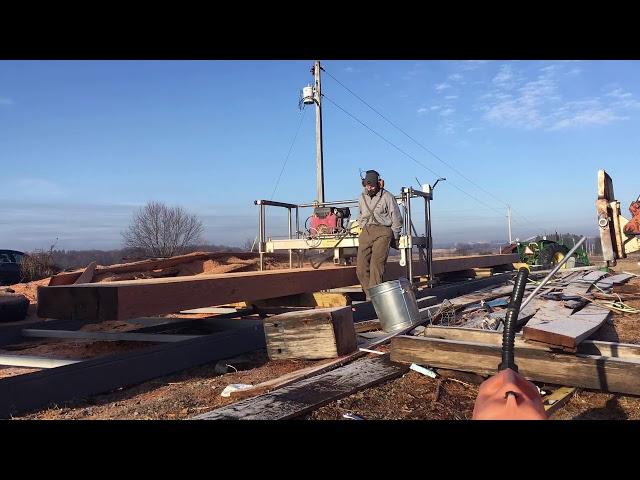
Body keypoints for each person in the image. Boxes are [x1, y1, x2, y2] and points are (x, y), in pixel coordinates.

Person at [356, 170, 403, 299]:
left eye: (371, 185)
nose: (369, 188)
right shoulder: (361, 197)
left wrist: (395, 236)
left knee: (376, 267)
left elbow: (397, 217)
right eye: (367, 185)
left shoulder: (388, 196)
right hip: (366, 231)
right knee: (360, 268)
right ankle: (371, 294)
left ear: (378, 184)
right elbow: (359, 214)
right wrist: (361, 225)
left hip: (383, 231)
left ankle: (373, 300)